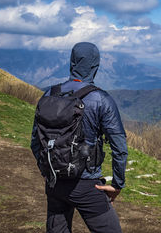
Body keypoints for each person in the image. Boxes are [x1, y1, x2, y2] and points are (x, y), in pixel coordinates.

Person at [30, 42, 128, 233]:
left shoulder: (49, 94)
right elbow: (120, 147)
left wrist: (49, 170)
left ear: (71, 63)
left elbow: (35, 141)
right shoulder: (101, 100)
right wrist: (117, 184)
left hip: (55, 183)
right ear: (95, 67)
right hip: (86, 185)